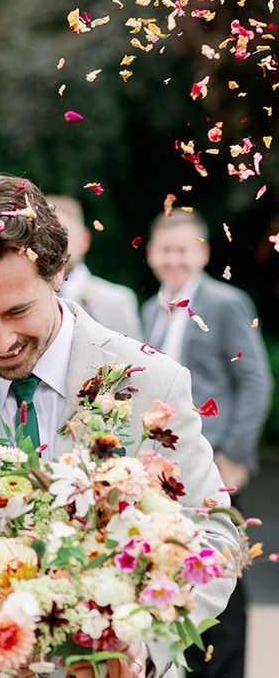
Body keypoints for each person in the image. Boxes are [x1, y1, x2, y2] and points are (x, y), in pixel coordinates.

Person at [0, 174, 239, 678]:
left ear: (58, 271)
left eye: (18, 310)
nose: (1, 340)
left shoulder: (153, 381)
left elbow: (213, 530)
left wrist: (137, 642)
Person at [143, 209, 273, 678]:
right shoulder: (150, 308)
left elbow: (256, 380)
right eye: (166, 250)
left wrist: (235, 454)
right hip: (165, 468)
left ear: (202, 252)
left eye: (184, 250)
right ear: (153, 254)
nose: (174, 259)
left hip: (216, 460)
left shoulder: (225, 301)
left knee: (223, 573)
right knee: (182, 568)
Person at [49, 195, 142, 339]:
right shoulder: (25, 300)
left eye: (62, 237)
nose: (54, 247)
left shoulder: (116, 301)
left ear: (84, 239)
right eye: (46, 238)